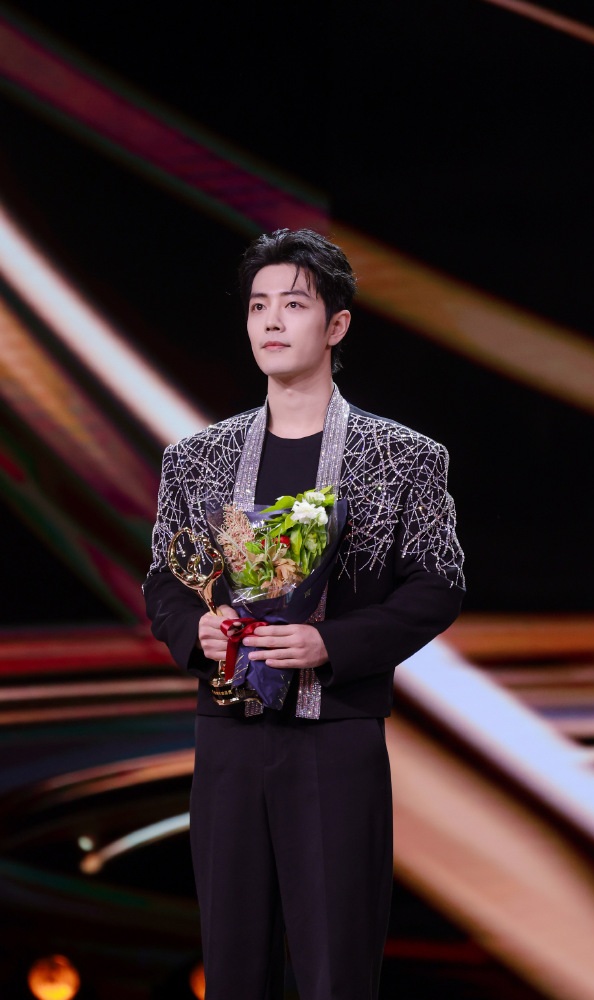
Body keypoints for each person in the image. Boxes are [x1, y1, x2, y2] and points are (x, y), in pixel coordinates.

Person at [143, 228, 465, 1000]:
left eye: (293, 305)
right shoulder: (196, 458)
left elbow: (439, 583)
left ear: (337, 324)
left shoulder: (403, 457)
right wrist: (196, 630)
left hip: (337, 738)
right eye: (258, 306)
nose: (271, 322)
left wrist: (330, 644)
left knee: (336, 972)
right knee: (232, 970)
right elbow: (163, 580)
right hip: (228, 740)